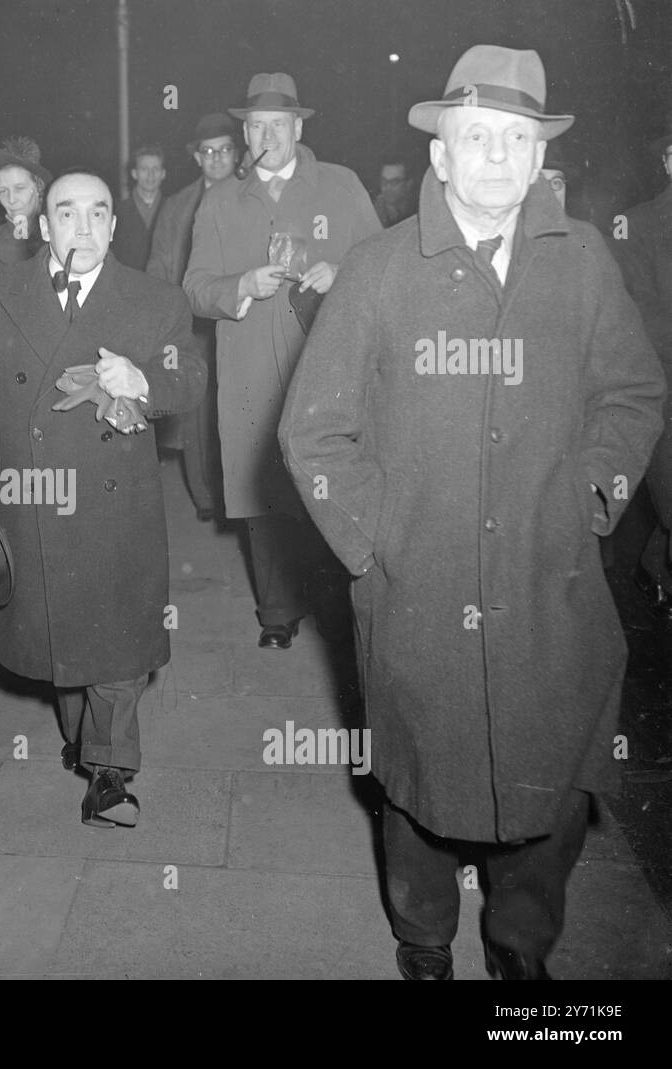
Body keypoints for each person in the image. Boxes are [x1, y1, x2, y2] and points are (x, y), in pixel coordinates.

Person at [279, 46, 666, 980]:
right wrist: (376, 546)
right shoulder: (376, 272)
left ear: (541, 160)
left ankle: (521, 950)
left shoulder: (581, 265)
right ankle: (423, 937)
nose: (498, 156)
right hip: (421, 592)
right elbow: (312, 431)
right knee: (417, 783)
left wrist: (594, 497)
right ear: (440, 157)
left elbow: (633, 394)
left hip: (551, 588)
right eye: (476, 137)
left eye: (518, 140)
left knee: (550, 789)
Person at [0, 170, 205, 827]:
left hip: (118, 500)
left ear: (114, 226)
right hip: (31, 495)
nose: (82, 228)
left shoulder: (155, 298)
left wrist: (145, 380)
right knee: (63, 646)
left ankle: (111, 773)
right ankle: (86, 740)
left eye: (96, 214)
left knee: (117, 644)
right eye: (66, 213)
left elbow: (189, 377)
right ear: (43, 226)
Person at [183, 72, 380, 650]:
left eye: (279, 124)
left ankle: (339, 608)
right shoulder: (219, 200)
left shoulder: (341, 187)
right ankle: (277, 611)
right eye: (257, 126)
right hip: (248, 367)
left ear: (298, 126)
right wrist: (240, 283)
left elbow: (382, 263)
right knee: (262, 491)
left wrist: (341, 273)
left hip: (325, 363)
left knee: (329, 482)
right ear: (246, 132)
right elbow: (194, 287)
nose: (268, 135)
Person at [147, 114, 236, 521]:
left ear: (236, 154)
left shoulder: (251, 198)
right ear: (197, 158)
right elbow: (160, 268)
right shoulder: (178, 205)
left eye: (224, 150)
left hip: (240, 321)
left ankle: (241, 498)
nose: (216, 159)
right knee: (198, 416)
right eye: (208, 152)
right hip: (194, 325)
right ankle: (205, 497)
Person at [612, 125, 672, 620]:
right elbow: (639, 316)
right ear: (668, 163)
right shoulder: (634, 226)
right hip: (663, 392)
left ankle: (655, 564)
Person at [0, 136, 51, 276]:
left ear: (38, 186)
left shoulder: (59, 235)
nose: (11, 200)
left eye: (19, 188)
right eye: (3, 191)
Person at [114, 144, 166, 271]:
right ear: (134, 173)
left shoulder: (175, 210)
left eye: (155, 169)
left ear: (163, 174)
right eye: (144, 169)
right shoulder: (118, 212)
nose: (150, 175)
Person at [374, 159, 417, 227]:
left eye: (394, 182)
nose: (387, 187)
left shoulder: (417, 208)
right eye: (384, 181)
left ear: (409, 184)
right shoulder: (374, 212)